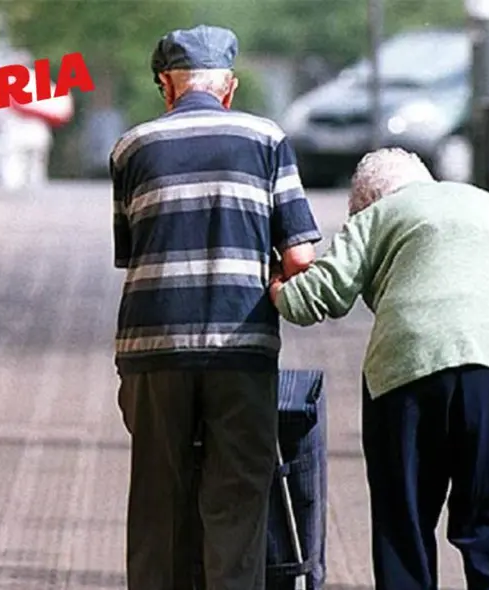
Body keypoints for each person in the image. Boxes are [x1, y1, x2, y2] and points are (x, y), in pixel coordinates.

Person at [269, 148, 489, 590]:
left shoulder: (375, 217)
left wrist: (277, 288)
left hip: (405, 377)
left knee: (405, 526)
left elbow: (316, 298)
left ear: (366, 202)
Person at [109, 25, 322, 590]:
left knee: (158, 498)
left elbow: (130, 251)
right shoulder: (267, 140)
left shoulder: (131, 147)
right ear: (228, 87)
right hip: (241, 348)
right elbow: (300, 257)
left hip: (154, 349)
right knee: (237, 500)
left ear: (166, 87)